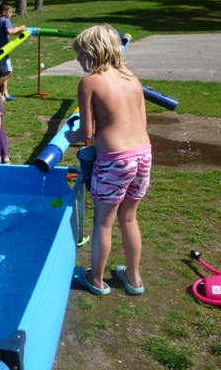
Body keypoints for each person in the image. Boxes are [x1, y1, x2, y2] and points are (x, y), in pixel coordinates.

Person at [66, 24, 151, 296]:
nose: (78, 59)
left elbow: (86, 132)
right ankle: (134, 279)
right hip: (143, 155)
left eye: (80, 53)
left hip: (115, 161)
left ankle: (96, 279)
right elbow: (142, 123)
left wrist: (67, 135)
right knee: (129, 218)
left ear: (93, 52)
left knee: (103, 222)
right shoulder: (133, 80)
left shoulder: (89, 83)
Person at [0, 3, 25, 101]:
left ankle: (5, 94)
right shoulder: (5, 20)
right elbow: (9, 31)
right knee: (9, 72)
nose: (11, 14)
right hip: (2, 52)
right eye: (10, 12)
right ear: (4, 12)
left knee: (3, 72)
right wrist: (21, 28)